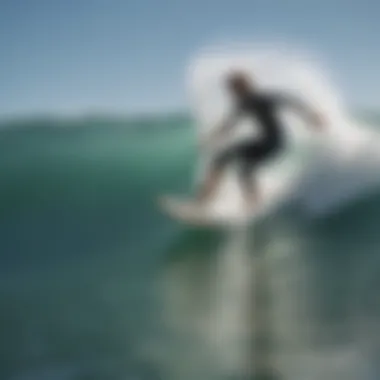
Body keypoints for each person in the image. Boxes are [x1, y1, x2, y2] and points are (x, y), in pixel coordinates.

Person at [196, 70, 326, 209]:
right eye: (230, 89)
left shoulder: (261, 98)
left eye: (233, 88)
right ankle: (207, 199)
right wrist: (210, 139)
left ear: (243, 86)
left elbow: (289, 101)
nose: (231, 92)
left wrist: (311, 116)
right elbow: (228, 125)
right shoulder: (243, 104)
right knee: (222, 160)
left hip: (274, 143)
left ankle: (251, 202)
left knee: (243, 169)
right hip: (264, 141)